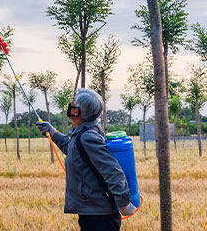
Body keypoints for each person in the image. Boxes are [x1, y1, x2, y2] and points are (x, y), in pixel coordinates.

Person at [37, 88, 136, 231]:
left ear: (76, 111)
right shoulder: (84, 133)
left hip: (99, 217)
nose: (69, 105)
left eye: (72, 103)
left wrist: (123, 204)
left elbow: (113, 171)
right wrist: (52, 132)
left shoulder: (88, 137)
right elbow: (73, 148)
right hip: (92, 212)